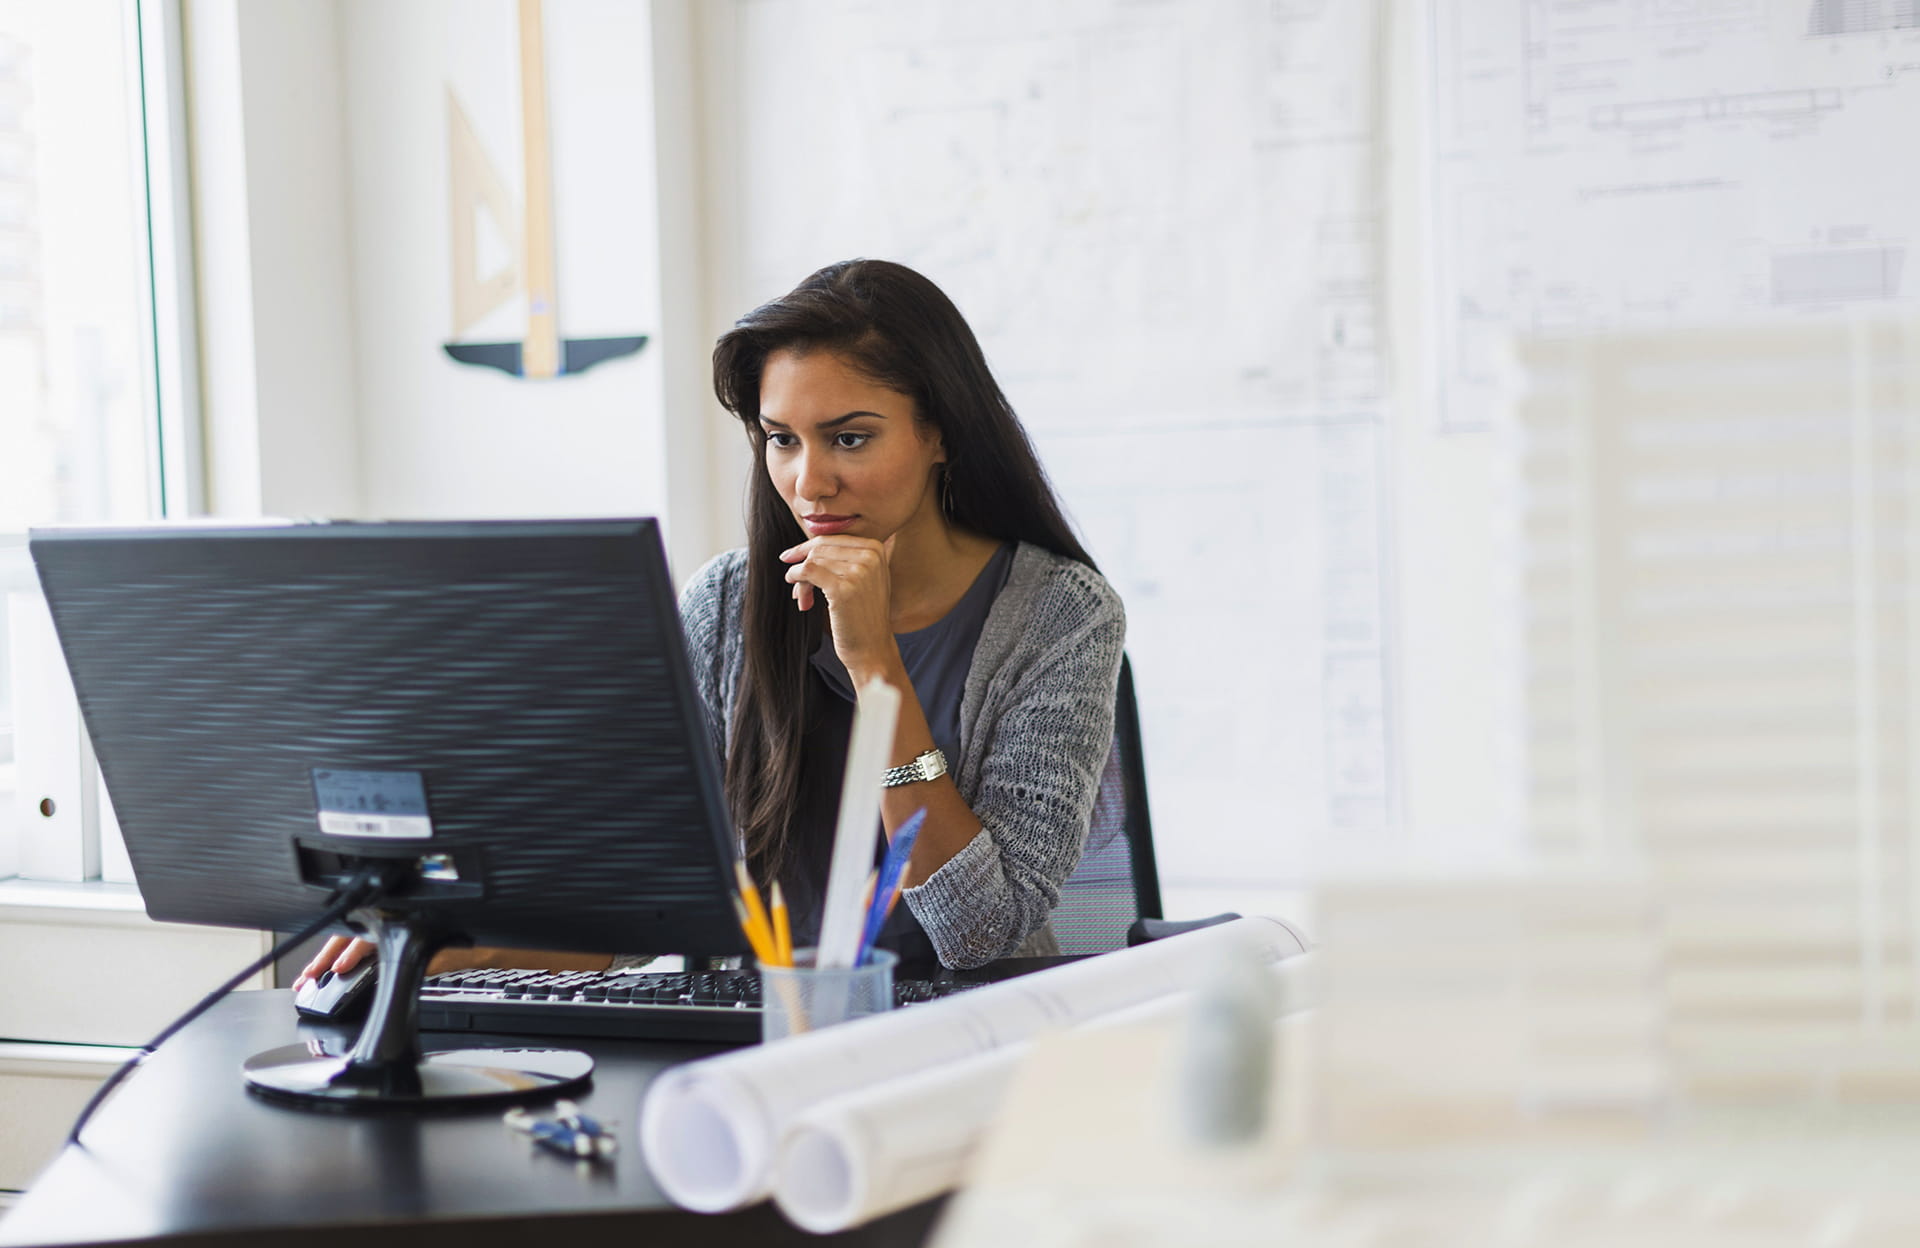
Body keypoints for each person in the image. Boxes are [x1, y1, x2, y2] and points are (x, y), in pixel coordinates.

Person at [296, 258, 1123, 985]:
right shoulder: (728, 603)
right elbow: (648, 900)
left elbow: (980, 935)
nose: (809, 483)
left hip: (962, 1057)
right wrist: (473, 947)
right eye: (782, 440)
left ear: (940, 432)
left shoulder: (1061, 617)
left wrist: (876, 669)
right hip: (754, 1047)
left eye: (850, 438)